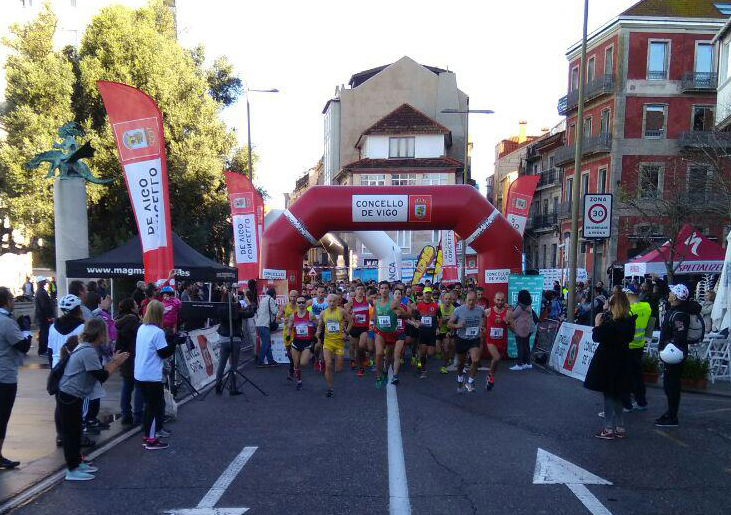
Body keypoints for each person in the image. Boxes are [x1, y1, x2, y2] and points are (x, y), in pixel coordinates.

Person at [58, 318, 128, 480]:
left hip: (71, 394)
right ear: (100, 333)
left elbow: (98, 372)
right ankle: (72, 469)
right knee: (71, 433)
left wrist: (113, 362)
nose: (107, 335)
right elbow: (101, 376)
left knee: (75, 431)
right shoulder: (88, 351)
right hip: (70, 395)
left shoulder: (86, 348)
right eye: (105, 332)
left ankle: (76, 463)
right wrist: (116, 363)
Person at [584, 292, 636, 439]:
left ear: (614, 306)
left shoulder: (610, 324)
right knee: (618, 394)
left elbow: (597, 337)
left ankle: (608, 429)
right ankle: (620, 426)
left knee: (608, 395)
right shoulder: (629, 322)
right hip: (623, 360)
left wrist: (597, 324)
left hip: (608, 361)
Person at [655, 284, 701, 428]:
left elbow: (680, 335)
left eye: (671, 292)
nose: (669, 294)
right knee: (669, 384)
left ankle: (672, 416)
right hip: (673, 352)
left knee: (672, 385)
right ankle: (670, 413)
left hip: (674, 353)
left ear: (675, 296)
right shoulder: (676, 310)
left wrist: (668, 345)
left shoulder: (679, 313)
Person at [134, 300, 175, 450]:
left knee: (148, 406)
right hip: (151, 375)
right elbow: (163, 353)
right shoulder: (158, 332)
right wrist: (175, 342)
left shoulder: (142, 328)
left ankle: (147, 434)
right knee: (154, 407)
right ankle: (151, 439)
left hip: (140, 372)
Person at [0, 287, 32, 469]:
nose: (14, 302)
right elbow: (23, 346)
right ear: (6, 301)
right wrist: (26, 332)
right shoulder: (6, 322)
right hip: (5, 375)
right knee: (2, 416)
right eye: (12, 299)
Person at [622, 284, 651, 412]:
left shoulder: (628, 311)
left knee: (625, 376)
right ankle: (641, 402)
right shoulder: (646, 307)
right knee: (637, 375)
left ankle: (626, 404)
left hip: (627, 345)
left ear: (628, 294)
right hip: (639, 345)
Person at [448, 291, 484, 392]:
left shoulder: (480, 310)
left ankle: (470, 381)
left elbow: (483, 317)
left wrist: (481, 326)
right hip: (462, 339)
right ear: (465, 300)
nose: (471, 302)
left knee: (475, 360)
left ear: (476, 300)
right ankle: (460, 378)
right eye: (469, 300)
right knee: (461, 363)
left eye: (473, 300)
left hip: (474, 339)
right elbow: (449, 324)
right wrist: (457, 325)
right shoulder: (459, 310)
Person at [115, 298, 142, 426]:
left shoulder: (118, 320)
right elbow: (141, 334)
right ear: (131, 308)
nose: (137, 305)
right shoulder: (132, 320)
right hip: (134, 357)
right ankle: (138, 414)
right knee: (138, 387)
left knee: (126, 386)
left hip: (123, 357)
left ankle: (126, 414)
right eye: (135, 304)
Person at [215, 286, 246, 396]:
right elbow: (250, 313)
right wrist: (244, 301)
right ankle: (233, 388)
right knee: (233, 365)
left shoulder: (220, 310)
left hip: (223, 339)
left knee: (221, 364)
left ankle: (218, 385)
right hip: (235, 339)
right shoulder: (236, 309)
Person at [317, 294, 349, 397]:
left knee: (338, 369)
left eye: (334, 301)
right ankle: (329, 387)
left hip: (339, 343)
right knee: (328, 364)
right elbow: (320, 326)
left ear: (337, 302)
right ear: (327, 302)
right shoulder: (323, 313)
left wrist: (346, 333)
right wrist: (318, 332)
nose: (331, 303)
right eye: (330, 301)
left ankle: (334, 378)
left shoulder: (342, 311)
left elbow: (351, 322)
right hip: (328, 342)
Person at [288, 296, 317, 390]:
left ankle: (312, 353)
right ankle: (299, 381)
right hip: (296, 342)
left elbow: (318, 325)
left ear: (306, 303)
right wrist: (288, 335)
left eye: (303, 302)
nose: (301, 304)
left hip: (307, 342)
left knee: (303, 363)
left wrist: (315, 334)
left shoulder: (310, 315)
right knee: (296, 364)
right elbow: (290, 327)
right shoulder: (293, 316)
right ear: (296, 303)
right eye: (299, 302)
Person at [413, 287, 441, 379]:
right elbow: (414, 318)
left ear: (431, 294)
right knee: (423, 352)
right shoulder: (419, 305)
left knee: (431, 353)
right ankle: (424, 370)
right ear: (423, 294)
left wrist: (438, 327)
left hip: (432, 332)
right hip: (422, 332)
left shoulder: (435, 305)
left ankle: (421, 358)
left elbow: (440, 317)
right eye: (426, 293)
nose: (428, 294)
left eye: (429, 293)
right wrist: (416, 323)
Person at [483, 292, 508, 391]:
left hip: (502, 341)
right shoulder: (488, 311)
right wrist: (482, 327)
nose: (500, 302)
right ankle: (491, 376)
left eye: (502, 300)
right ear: (494, 300)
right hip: (490, 341)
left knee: (497, 361)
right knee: (496, 357)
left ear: (504, 300)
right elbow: (481, 319)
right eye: (498, 300)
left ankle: (491, 375)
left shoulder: (508, 313)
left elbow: (513, 328)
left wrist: (508, 322)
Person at [346, 284, 370, 378]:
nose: (360, 291)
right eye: (358, 289)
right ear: (355, 291)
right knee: (358, 349)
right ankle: (361, 368)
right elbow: (346, 314)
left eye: (361, 289)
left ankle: (364, 357)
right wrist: (350, 316)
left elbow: (375, 308)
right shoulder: (351, 301)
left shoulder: (367, 299)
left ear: (364, 291)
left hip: (364, 327)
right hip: (355, 327)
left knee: (361, 345)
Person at [509, 290, 536, 371]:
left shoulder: (520, 307)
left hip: (521, 329)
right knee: (526, 345)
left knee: (520, 346)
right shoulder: (528, 306)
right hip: (530, 328)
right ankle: (528, 363)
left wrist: (511, 309)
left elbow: (513, 316)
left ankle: (519, 364)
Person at [255, 287, 279, 367]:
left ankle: (270, 361)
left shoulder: (263, 300)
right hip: (264, 324)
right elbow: (275, 311)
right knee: (266, 344)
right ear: (274, 294)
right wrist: (277, 306)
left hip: (259, 324)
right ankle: (260, 362)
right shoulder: (271, 300)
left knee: (267, 343)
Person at [278, 291, 298, 381]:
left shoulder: (300, 306)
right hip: (287, 332)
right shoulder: (285, 306)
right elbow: (277, 319)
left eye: (295, 297)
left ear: (297, 297)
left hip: (297, 332)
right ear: (289, 297)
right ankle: (293, 366)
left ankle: (292, 370)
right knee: (289, 351)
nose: (293, 298)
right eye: (291, 296)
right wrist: (283, 320)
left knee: (293, 351)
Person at [34, 276, 54, 357]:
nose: (45, 282)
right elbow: (44, 306)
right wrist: (49, 316)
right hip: (43, 317)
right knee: (44, 334)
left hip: (42, 316)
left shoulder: (40, 291)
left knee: (43, 333)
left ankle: (43, 350)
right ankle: (43, 351)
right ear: (40, 283)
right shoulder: (41, 292)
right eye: (43, 281)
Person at [437, 291, 456, 374]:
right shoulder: (438, 307)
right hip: (438, 331)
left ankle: (444, 366)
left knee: (446, 349)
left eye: (449, 299)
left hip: (447, 331)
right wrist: (447, 318)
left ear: (452, 300)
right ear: (442, 299)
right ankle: (444, 356)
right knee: (438, 351)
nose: (448, 300)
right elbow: (438, 320)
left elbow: (453, 321)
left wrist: (444, 319)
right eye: (446, 298)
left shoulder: (454, 309)